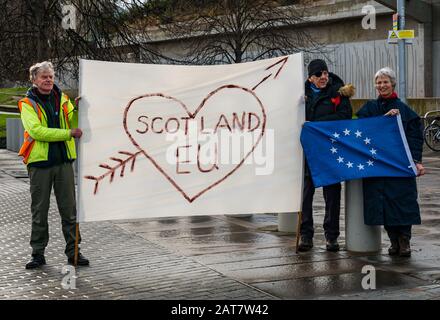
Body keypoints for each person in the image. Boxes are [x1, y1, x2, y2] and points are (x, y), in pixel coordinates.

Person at [18, 61, 89, 269]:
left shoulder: (63, 98)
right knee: (40, 211)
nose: (48, 80)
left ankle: (74, 252)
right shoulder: (27, 104)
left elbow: (74, 122)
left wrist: (77, 109)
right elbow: (37, 131)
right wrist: (68, 134)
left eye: (50, 76)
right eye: (44, 77)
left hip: (63, 162)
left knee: (69, 211)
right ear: (34, 80)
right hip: (40, 164)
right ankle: (37, 254)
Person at [356, 67, 425, 257]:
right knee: (382, 204)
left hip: (400, 167)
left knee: (402, 203)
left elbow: (415, 138)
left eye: (385, 81)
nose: (382, 85)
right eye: (378, 82)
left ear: (392, 83)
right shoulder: (369, 109)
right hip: (377, 167)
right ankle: (393, 241)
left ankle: (404, 240)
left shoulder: (405, 111)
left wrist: (417, 161)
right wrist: (382, 120)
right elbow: (360, 129)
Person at [298, 59, 354, 252]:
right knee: (305, 194)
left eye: (325, 73)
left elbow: (345, 116)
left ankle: (331, 236)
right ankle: (306, 235)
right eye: (319, 74)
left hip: (330, 151)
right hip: (307, 151)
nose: (324, 77)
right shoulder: (299, 94)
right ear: (310, 77)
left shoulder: (338, 92)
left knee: (332, 193)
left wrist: (316, 125)